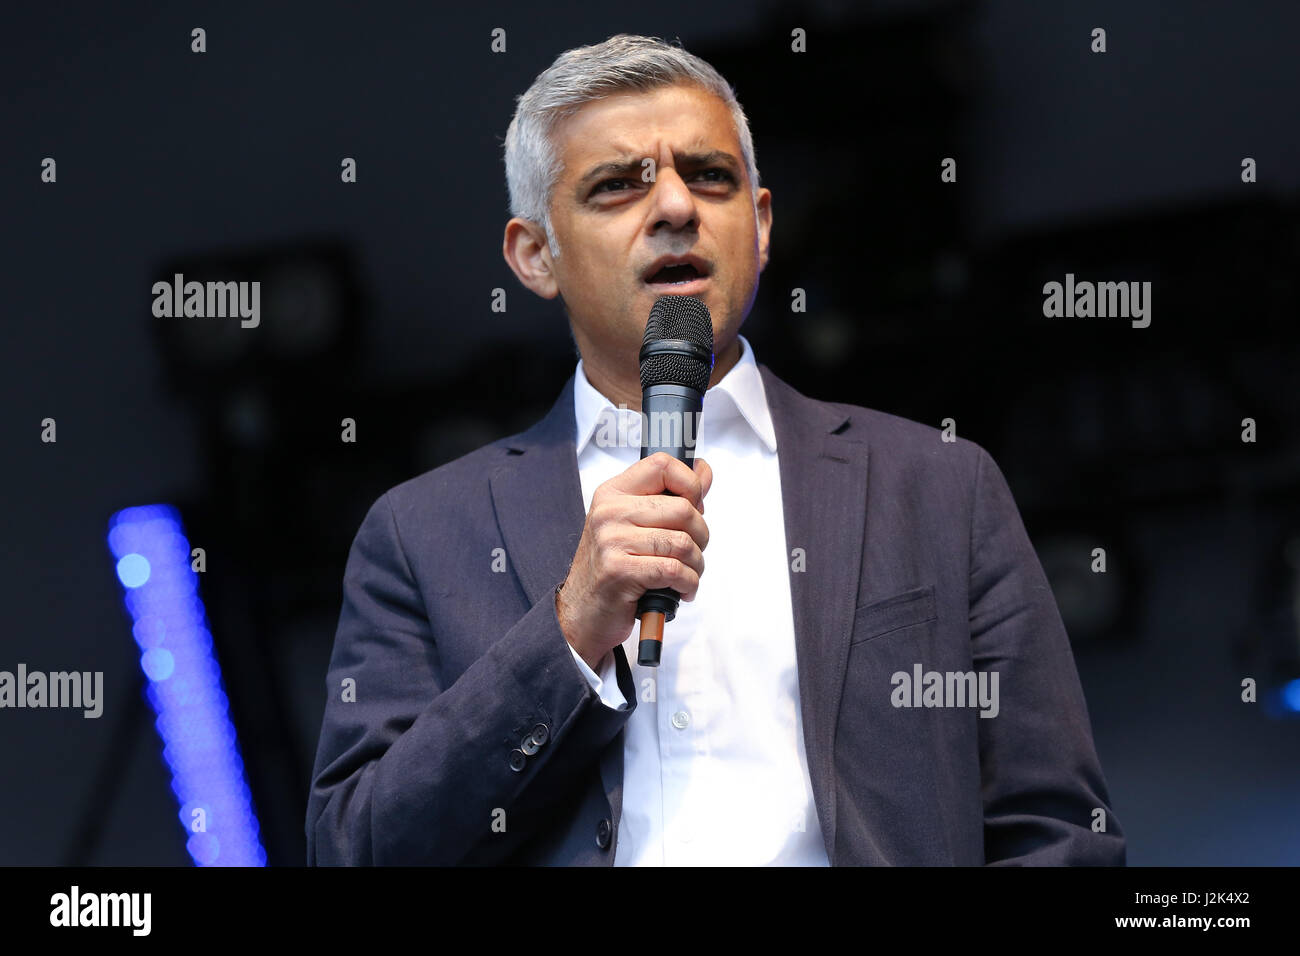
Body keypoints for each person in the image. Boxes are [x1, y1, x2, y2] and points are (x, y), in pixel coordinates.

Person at [305, 33, 1125, 866]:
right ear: (534, 255)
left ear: (761, 225)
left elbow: (1055, 833)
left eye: (709, 176)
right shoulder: (420, 533)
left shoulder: (940, 486)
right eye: (618, 186)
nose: (674, 208)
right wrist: (569, 630)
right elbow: (357, 848)